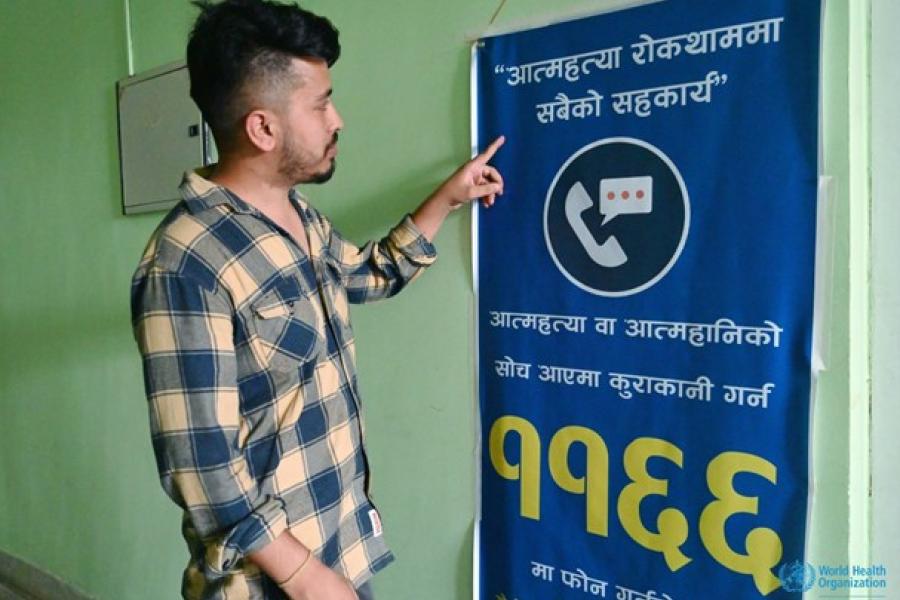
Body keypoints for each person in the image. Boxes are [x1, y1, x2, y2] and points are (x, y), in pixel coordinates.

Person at [129, 1, 504, 598]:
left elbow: (370, 274)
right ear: (263, 128)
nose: (338, 120)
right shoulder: (186, 262)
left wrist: (447, 199)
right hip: (272, 583)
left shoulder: (298, 217)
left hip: (339, 551)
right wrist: (308, 581)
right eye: (320, 102)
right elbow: (203, 469)